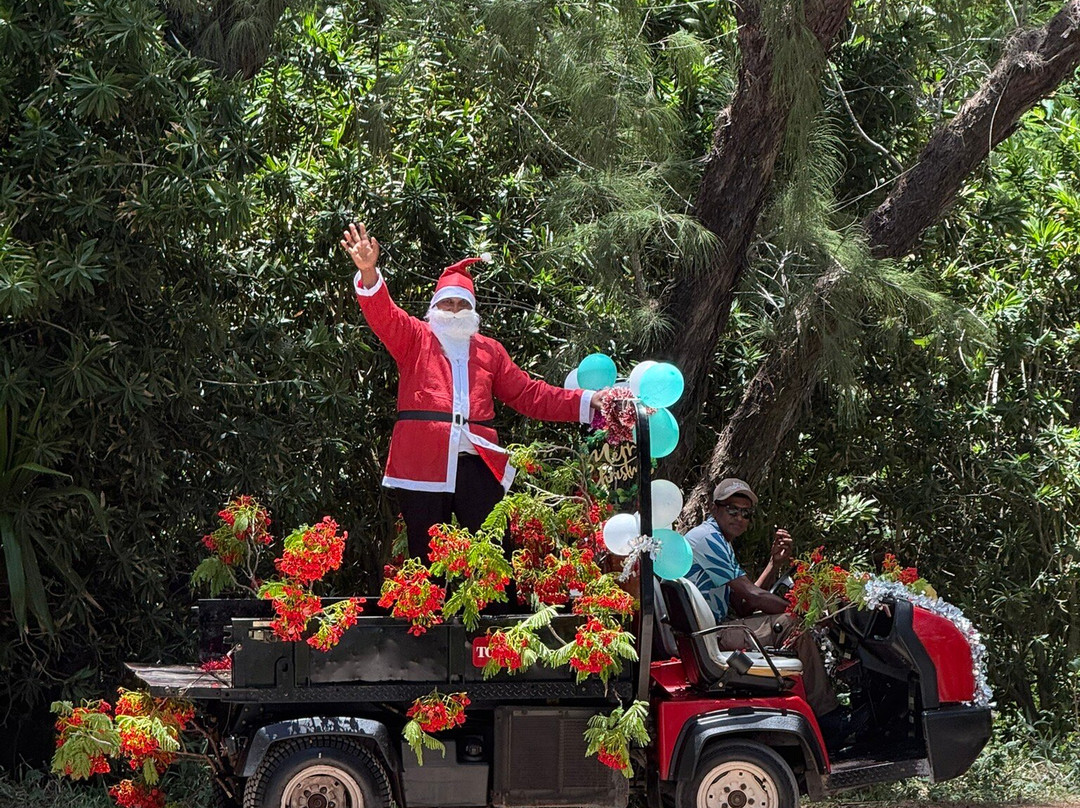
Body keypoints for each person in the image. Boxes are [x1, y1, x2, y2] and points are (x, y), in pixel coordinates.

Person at [341, 223, 604, 558]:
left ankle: (498, 612)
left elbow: (528, 394)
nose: (453, 311)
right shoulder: (414, 338)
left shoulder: (489, 350)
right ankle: (428, 612)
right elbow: (384, 316)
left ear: (472, 311)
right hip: (423, 460)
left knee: (491, 554)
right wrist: (368, 271)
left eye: (461, 305)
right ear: (434, 307)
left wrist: (586, 401)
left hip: (478, 461)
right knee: (425, 556)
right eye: (447, 303)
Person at [684, 478, 841, 719]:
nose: (739, 517)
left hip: (711, 631)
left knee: (786, 619)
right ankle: (827, 715)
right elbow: (753, 596)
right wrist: (806, 613)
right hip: (710, 636)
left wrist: (774, 564)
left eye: (745, 513)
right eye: (732, 509)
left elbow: (744, 604)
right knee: (793, 624)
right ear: (714, 509)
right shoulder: (708, 538)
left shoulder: (719, 541)